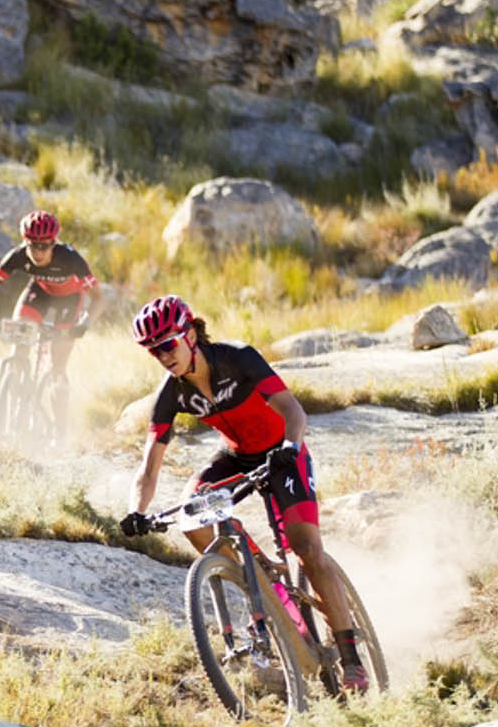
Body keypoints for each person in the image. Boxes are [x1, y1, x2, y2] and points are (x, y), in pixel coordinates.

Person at [116, 294, 369, 692]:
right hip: (237, 457)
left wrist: (289, 447)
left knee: (307, 548)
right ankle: (260, 576)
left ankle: (351, 657)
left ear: (191, 334)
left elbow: (293, 410)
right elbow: (149, 466)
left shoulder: (238, 357)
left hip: (284, 452)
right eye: (153, 351)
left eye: (167, 345)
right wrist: (136, 510)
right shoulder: (171, 393)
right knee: (191, 515)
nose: (162, 356)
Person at [0, 210, 95, 439]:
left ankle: (59, 431)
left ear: (54, 242)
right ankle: (14, 399)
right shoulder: (18, 255)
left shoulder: (71, 259)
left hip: (70, 300)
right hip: (39, 294)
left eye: (45, 245)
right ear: (25, 241)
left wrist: (83, 324)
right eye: (33, 245)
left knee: (58, 366)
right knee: (20, 344)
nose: (38, 251)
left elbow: (98, 298)